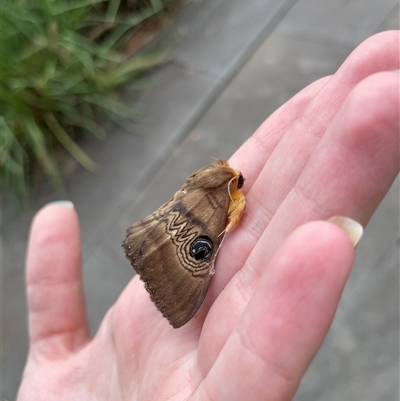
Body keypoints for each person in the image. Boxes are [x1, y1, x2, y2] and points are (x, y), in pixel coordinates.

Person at [17, 31, 399, 400]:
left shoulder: (216, 186)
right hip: (188, 231)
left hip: (173, 216)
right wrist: (205, 244)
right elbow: (238, 216)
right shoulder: (225, 195)